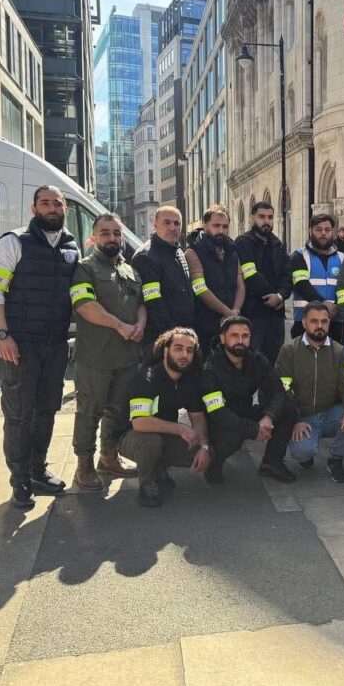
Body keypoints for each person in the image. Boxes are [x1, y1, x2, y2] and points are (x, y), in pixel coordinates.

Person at [0, 185, 76, 508]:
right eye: (45, 203)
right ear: (33, 208)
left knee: (47, 410)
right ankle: (20, 480)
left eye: (57, 203)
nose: (52, 208)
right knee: (19, 415)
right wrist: (2, 335)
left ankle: (38, 470)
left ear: (64, 208)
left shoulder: (71, 246)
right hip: (21, 344)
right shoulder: (14, 241)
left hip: (56, 344)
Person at [68, 214, 143, 490]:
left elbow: (142, 302)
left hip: (127, 356)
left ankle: (108, 457)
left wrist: (140, 325)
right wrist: (120, 326)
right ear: (94, 237)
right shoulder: (84, 269)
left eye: (116, 233)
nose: (112, 238)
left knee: (118, 411)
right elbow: (86, 306)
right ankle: (84, 466)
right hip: (96, 357)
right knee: (90, 411)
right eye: (105, 233)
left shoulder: (130, 270)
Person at [119, 328, 215, 507]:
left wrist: (204, 446)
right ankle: (147, 483)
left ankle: (158, 467)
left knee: (205, 452)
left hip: (164, 434)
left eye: (189, 350)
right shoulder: (146, 378)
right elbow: (139, 422)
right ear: (165, 351)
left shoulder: (189, 380)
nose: (184, 354)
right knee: (151, 442)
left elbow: (197, 417)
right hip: (131, 436)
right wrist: (180, 428)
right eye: (178, 348)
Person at [200, 316, 297, 483]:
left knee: (288, 407)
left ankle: (271, 463)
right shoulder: (211, 368)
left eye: (245, 336)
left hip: (245, 411)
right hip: (219, 419)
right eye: (234, 335)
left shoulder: (257, 360)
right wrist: (254, 430)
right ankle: (214, 462)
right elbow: (218, 413)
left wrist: (268, 417)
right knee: (230, 438)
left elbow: (278, 391)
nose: (240, 340)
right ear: (222, 338)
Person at [276, 302, 344, 483]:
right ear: (304, 323)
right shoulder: (289, 350)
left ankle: (335, 459)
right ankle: (306, 455)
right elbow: (283, 389)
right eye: (314, 321)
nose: (320, 326)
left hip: (329, 414)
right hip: (303, 417)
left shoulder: (339, 351)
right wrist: (296, 419)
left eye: (324, 321)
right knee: (302, 452)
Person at [131, 206, 197, 348]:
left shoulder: (178, 251)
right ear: (155, 225)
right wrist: (172, 335)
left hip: (183, 334)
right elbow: (153, 302)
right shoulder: (147, 256)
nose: (172, 228)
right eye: (167, 222)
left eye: (177, 223)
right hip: (162, 339)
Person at [234, 201, 292, 364]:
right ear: (252, 218)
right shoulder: (243, 242)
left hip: (276, 315)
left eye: (270, 217)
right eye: (261, 217)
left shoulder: (278, 245)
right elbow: (251, 275)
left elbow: (287, 275)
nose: (266, 221)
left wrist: (280, 296)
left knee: (274, 362)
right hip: (254, 314)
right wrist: (271, 295)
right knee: (252, 361)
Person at [186, 205, 245, 353]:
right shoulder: (192, 252)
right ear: (204, 225)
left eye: (225, 227)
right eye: (216, 226)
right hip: (205, 323)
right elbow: (200, 289)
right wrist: (227, 312)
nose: (221, 231)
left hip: (231, 322)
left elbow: (240, 285)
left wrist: (235, 311)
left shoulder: (232, 251)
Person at [289, 214, 344, 342]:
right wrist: (323, 303)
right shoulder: (299, 256)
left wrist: (337, 305)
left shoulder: (343, 258)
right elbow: (301, 284)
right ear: (310, 231)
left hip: (335, 322)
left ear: (333, 231)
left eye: (327, 230)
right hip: (305, 321)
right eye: (318, 230)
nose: (323, 233)